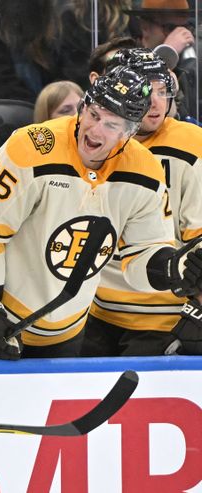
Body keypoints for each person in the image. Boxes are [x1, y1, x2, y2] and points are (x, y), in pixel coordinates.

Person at [0, 65, 202, 358]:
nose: (95, 129)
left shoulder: (144, 170)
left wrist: (173, 268)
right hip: (0, 321)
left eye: (112, 124)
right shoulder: (31, 147)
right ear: (82, 108)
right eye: (94, 115)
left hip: (70, 328)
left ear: (130, 132)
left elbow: (141, 254)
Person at [85, 48, 202, 356]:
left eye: (164, 91)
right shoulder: (92, 140)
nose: (155, 102)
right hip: (91, 311)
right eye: (145, 90)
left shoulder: (192, 145)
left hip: (164, 318)